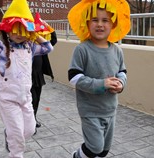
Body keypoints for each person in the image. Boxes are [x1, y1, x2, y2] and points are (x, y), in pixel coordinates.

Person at [0, 0, 53, 157]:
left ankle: (10, 135)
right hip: (8, 99)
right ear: (8, 29)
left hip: (26, 98)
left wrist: (34, 32)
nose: (19, 34)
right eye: (15, 29)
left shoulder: (29, 46)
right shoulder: (1, 46)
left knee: (30, 130)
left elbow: (48, 47)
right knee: (17, 138)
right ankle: (15, 152)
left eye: (23, 30)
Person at [67, 0, 130, 157]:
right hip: (90, 110)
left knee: (103, 151)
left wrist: (121, 84)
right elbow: (74, 77)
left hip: (110, 109)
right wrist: (101, 84)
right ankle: (77, 156)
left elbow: (123, 72)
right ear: (87, 23)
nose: (100, 24)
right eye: (95, 20)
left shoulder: (117, 51)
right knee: (94, 147)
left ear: (113, 24)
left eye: (105, 20)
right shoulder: (82, 49)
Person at [31, 12, 57, 129]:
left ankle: (33, 118)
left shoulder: (42, 48)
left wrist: (49, 28)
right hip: (27, 77)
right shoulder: (27, 46)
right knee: (30, 99)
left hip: (38, 77)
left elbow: (53, 41)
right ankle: (29, 120)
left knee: (37, 99)